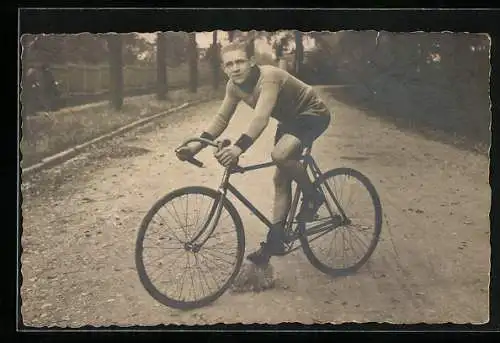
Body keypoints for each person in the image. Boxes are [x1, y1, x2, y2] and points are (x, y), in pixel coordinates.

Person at [176, 39, 332, 266]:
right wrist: (195, 146)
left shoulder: (268, 77)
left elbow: (261, 118)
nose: (235, 68)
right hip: (290, 120)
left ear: (251, 61)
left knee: (280, 156)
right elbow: (221, 119)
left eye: (240, 61)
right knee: (280, 179)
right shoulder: (233, 85)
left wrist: (238, 148)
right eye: (229, 64)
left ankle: (313, 195)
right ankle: (275, 241)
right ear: (223, 68)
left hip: (312, 113)